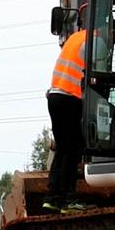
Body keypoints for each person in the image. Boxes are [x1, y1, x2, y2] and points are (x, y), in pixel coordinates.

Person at [45, 21, 88, 201]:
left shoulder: (75, 38)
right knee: (73, 148)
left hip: (54, 97)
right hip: (70, 98)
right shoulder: (94, 43)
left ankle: (53, 196)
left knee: (62, 147)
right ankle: (68, 197)